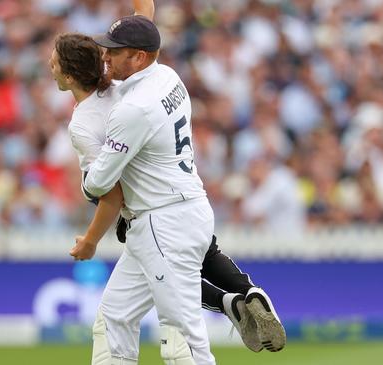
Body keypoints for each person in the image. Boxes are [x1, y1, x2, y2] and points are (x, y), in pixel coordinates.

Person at [50, 6, 285, 365]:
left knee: (184, 342)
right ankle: (237, 295)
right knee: (115, 318)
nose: (106, 57)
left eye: (114, 51)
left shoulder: (133, 109)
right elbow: (144, 22)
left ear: (138, 56)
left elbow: (101, 181)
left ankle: (233, 297)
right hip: (185, 208)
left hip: (162, 222)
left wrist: (85, 186)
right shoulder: (167, 78)